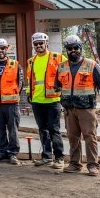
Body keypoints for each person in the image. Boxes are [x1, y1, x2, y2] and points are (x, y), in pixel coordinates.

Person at [55, 35, 100, 177]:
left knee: (90, 136)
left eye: (76, 48)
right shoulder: (61, 67)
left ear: (81, 49)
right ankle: (75, 164)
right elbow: (57, 85)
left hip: (86, 110)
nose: (73, 51)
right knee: (73, 137)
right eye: (70, 48)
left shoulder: (92, 65)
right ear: (67, 50)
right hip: (69, 110)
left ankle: (92, 165)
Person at [26, 32, 66, 169]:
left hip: (53, 100)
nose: (38, 46)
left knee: (54, 129)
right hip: (37, 101)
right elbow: (30, 80)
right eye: (36, 44)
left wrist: (64, 95)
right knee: (43, 130)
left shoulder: (58, 57)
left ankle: (59, 158)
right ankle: (46, 156)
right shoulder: (31, 61)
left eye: (41, 43)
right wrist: (28, 93)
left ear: (46, 43)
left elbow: (66, 76)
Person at [0, 38, 24, 165]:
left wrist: (12, 96)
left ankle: (13, 154)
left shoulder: (15, 64)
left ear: (7, 49)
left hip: (11, 104)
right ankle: (3, 152)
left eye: (2, 48)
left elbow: (21, 83)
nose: (0, 51)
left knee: (13, 130)